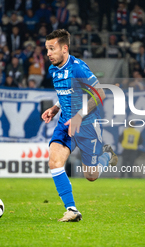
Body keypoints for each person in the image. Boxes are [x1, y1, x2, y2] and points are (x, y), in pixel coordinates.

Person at [41, 29, 118, 222]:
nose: (48, 53)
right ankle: (71, 209)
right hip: (66, 123)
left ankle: (107, 155)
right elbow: (65, 93)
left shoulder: (78, 68)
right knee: (54, 161)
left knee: (91, 175)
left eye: (52, 49)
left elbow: (100, 93)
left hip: (87, 125)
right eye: (47, 49)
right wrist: (55, 108)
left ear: (64, 48)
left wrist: (79, 115)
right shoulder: (53, 70)